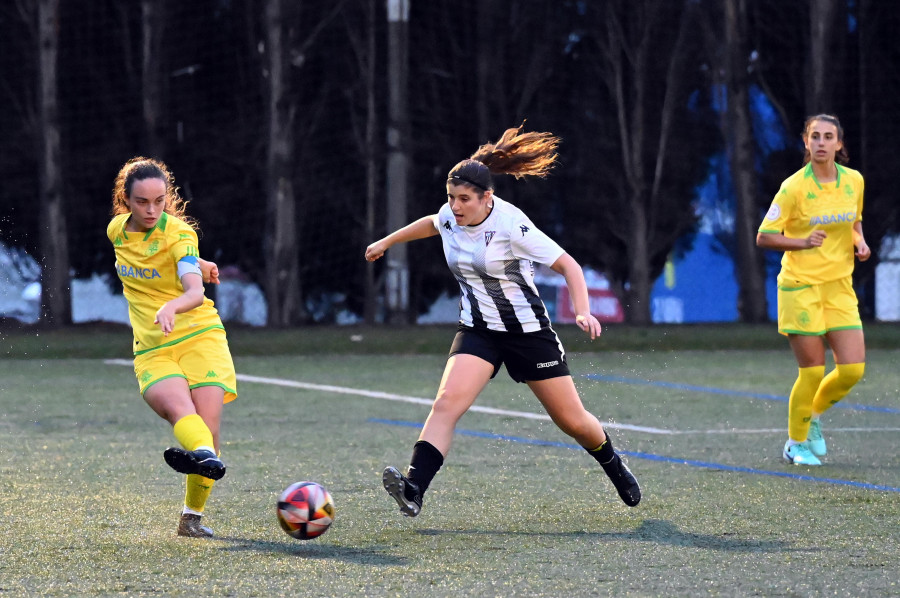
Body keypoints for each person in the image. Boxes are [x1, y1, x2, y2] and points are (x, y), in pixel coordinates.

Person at [365, 124, 641, 517]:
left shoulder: (513, 226)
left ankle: (613, 463)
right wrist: (388, 241)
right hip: (479, 331)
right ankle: (414, 488)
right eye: (451, 198)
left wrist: (582, 310)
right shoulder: (450, 216)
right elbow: (432, 222)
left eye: (464, 199)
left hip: (528, 335)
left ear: (487, 198)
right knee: (445, 404)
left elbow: (569, 265)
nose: (456, 207)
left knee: (572, 421)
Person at [107, 157, 238, 536]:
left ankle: (191, 518)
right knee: (182, 414)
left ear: (168, 199)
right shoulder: (116, 230)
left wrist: (173, 303)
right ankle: (206, 459)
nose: (151, 210)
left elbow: (195, 291)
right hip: (153, 347)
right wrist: (202, 262)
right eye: (142, 202)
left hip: (200, 335)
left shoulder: (181, 234)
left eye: (159, 201)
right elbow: (163, 260)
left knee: (208, 429)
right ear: (126, 201)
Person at [757, 114, 871, 466]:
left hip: (839, 287)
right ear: (806, 143)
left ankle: (814, 417)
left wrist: (860, 241)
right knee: (812, 371)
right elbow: (764, 236)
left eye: (828, 137)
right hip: (800, 287)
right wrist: (802, 242)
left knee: (852, 369)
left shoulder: (854, 181)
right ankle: (795, 443)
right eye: (815, 137)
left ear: (839, 144)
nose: (821, 143)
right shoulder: (793, 187)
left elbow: (853, 219)